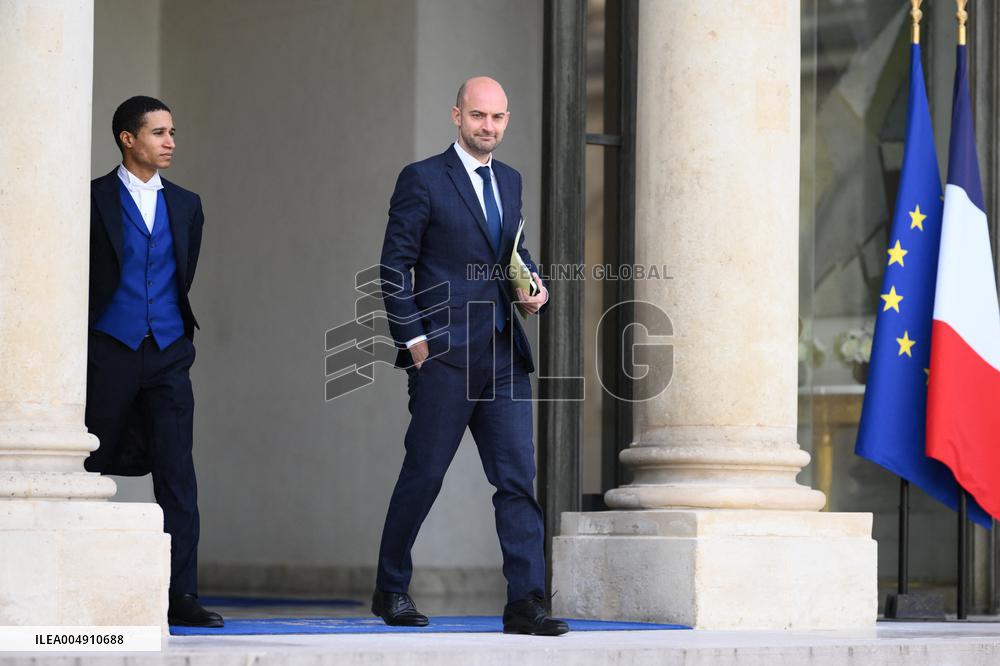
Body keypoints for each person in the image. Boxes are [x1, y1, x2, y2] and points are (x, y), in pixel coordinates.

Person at [374, 76, 568, 636]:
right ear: (457, 115)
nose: (489, 127)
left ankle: (526, 602)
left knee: (516, 482)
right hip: (444, 356)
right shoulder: (423, 179)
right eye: (479, 116)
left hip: (504, 353)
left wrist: (533, 284)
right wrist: (413, 341)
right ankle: (391, 589)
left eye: (499, 118)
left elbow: (512, 251)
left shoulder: (510, 180)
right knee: (424, 475)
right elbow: (394, 264)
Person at [85, 96, 222, 628]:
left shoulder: (187, 204)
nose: (170, 142)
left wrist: (172, 333)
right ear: (127, 139)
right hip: (109, 350)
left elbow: (179, 275)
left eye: (172, 132)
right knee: (87, 467)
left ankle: (180, 596)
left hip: (167, 351)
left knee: (177, 474)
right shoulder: (92, 198)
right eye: (158, 132)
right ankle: (87, 586)